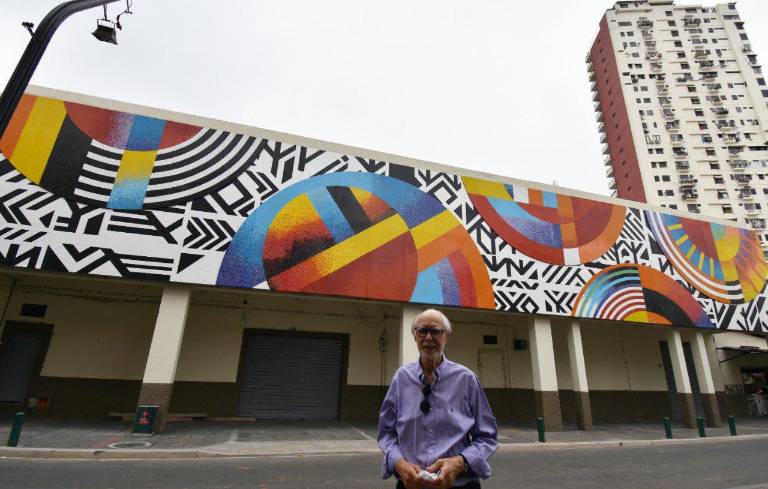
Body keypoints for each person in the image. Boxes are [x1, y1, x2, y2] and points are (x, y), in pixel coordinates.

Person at [378, 308, 498, 489]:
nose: (428, 338)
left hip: (459, 485)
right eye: (422, 331)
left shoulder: (466, 379)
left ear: (446, 336)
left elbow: (487, 436)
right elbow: (387, 433)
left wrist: (460, 463)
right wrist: (398, 463)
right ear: (414, 335)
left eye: (435, 331)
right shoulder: (401, 378)